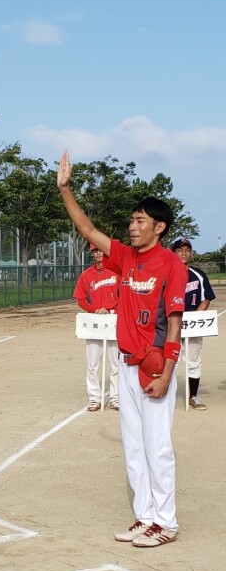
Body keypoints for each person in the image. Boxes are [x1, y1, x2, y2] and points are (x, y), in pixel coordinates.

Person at [57, 150, 188, 548]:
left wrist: (167, 371)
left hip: (153, 366)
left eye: (140, 221)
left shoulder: (171, 265)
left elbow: (175, 322)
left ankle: (166, 522)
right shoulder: (126, 258)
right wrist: (65, 189)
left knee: (157, 447)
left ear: (159, 227)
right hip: (126, 364)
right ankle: (144, 515)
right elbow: (86, 228)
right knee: (133, 446)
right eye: (132, 220)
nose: (133, 226)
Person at [171, 237, 216, 410]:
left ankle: (193, 396)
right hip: (172, 324)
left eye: (187, 250)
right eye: (180, 250)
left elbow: (205, 299)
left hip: (192, 324)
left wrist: (194, 319)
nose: (184, 253)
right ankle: (168, 394)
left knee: (193, 360)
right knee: (170, 359)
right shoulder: (166, 273)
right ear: (173, 253)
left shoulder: (197, 274)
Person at [73, 243, 119, 411]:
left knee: (116, 362)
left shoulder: (117, 272)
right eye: (95, 250)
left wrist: (114, 310)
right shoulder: (87, 275)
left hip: (113, 319)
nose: (99, 253)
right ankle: (94, 398)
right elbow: (80, 299)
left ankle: (116, 397)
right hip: (95, 322)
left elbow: (126, 296)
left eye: (101, 249)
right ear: (92, 253)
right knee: (93, 363)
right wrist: (95, 309)